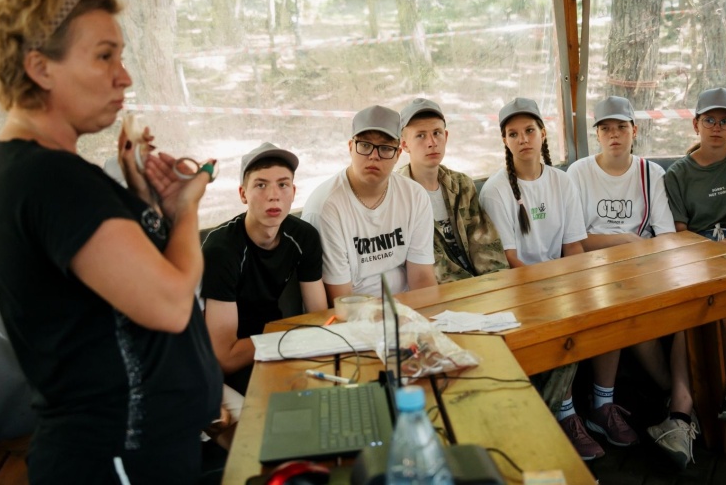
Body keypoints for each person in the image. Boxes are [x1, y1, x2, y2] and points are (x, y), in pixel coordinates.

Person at [0, 0, 222, 484]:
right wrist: (185, 210)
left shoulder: (42, 169)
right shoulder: (51, 178)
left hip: (136, 452)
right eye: (105, 56)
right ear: (40, 68)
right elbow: (171, 304)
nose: (123, 77)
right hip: (114, 459)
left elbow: (117, 287)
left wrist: (145, 201)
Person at [478, 98, 596, 459]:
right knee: (563, 329)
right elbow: (509, 259)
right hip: (518, 289)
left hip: (560, 285)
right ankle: (562, 415)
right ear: (505, 141)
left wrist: (579, 289)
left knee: (601, 314)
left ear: (543, 133)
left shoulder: (562, 181)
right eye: (513, 134)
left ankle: (599, 405)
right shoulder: (496, 190)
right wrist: (552, 293)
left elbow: (573, 246)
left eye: (529, 130)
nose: (523, 139)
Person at [565, 96, 678, 454]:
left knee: (657, 315)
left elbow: (666, 235)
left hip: (640, 266)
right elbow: (574, 238)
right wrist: (624, 240)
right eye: (606, 128)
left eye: (621, 127)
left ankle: (674, 398)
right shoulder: (579, 172)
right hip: (592, 263)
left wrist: (637, 252)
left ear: (634, 131)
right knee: (616, 306)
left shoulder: (650, 173)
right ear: (597, 134)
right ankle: (612, 402)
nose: (614, 135)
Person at [665, 87, 726, 433]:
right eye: (709, 120)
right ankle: (689, 408)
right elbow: (680, 231)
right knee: (689, 310)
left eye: (725, 121)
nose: (717, 127)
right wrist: (708, 253)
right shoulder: (677, 173)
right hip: (696, 250)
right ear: (696, 124)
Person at [201, 142, 328, 399]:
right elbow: (225, 358)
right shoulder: (222, 249)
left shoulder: (303, 237)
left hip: (276, 343)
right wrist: (289, 335)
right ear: (243, 194)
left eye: (283, 184)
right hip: (236, 359)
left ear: (293, 191)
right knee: (289, 399)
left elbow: (320, 316)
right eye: (261, 185)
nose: (273, 195)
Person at [301, 105, 437, 300]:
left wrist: (424, 315)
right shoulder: (326, 208)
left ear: (398, 154)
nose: (374, 156)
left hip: (408, 307)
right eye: (365, 145)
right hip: (355, 312)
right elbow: (342, 298)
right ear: (351, 147)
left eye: (385, 148)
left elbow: (422, 278)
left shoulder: (415, 196)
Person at [397, 98, 508, 283]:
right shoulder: (398, 196)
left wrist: (498, 285)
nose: (432, 142)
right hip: (440, 291)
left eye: (437, 133)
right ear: (404, 144)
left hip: (481, 287)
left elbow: (487, 248)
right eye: (420, 136)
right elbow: (429, 268)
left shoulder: (462, 186)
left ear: (446, 136)